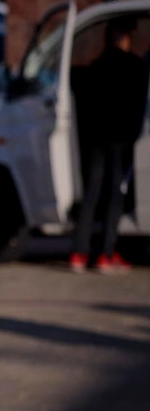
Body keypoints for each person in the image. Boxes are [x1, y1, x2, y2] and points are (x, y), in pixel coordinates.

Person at [69, 16, 149, 274]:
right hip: (121, 142)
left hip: (97, 141)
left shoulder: (96, 66)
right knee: (115, 196)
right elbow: (138, 107)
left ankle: (79, 252)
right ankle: (105, 253)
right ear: (126, 38)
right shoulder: (135, 67)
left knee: (92, 195)